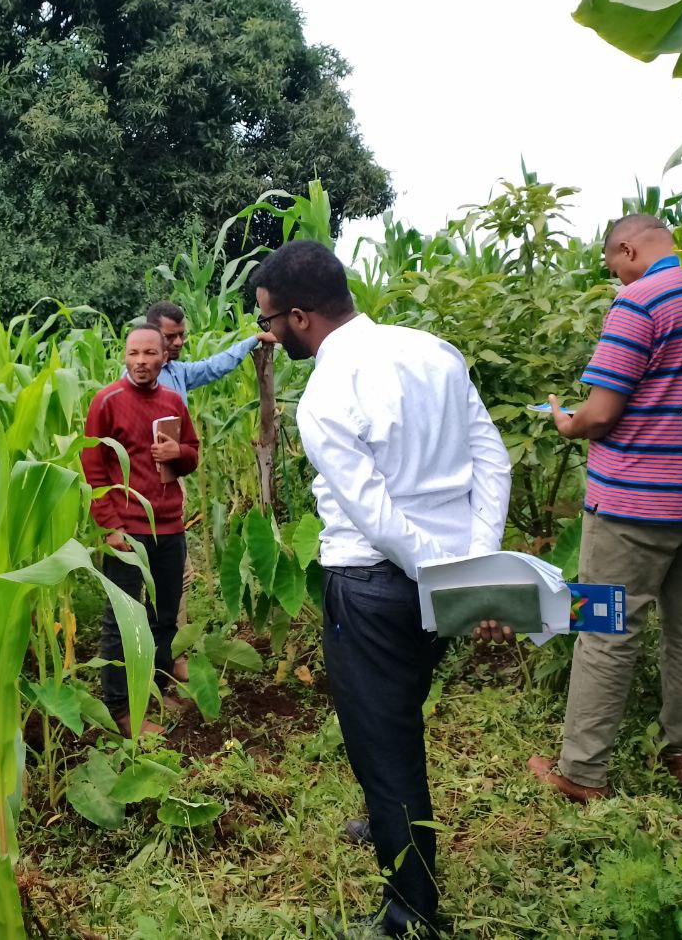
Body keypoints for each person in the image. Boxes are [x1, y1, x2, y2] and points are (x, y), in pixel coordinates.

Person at [250, 240, 512, 938]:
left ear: (300, 317)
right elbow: (492, 456)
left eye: (270, 324)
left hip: (375, 585)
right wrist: (473, 561)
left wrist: (445, 571)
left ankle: (409, 912)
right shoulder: (433, 351)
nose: (269, 336)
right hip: (442, 574)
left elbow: (377, 518)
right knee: (401, 713)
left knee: (383, 740)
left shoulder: (325, 396)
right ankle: (386, 816)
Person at [526, 213, 682, 801]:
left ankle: (581, 773)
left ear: (627, 249)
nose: (616, 277)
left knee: (603, 627)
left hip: (633, 503)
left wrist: (564, 421)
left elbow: (600, 413)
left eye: (612, 265)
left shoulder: (641, 303)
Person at [143, 301, 279, 683]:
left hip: (174, 485)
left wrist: (251, 341)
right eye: (171, 336)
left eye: (182, 335)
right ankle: (154, 658)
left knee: (178, 574)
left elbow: (215, 366)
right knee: (153, 577)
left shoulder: (178, 374)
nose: (180, 342)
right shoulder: (136, 382)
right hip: (145, 490)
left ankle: (170, 655)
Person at [82, 324, 201, 737]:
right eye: (134, 353)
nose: (142, 362)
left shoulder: (172, 401)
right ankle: (120, 708)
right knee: (122, 617)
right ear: (125, 355)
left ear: (163, 357)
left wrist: (178, 453)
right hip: (128, 531)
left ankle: (162, 685)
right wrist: (110, 525)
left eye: (150, 353)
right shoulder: (107, 402)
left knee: (166, 612)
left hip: (170, 525)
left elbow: (193, 453)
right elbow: (93, 466)